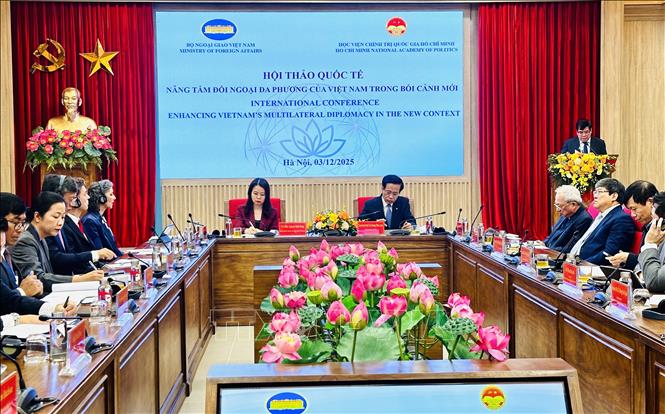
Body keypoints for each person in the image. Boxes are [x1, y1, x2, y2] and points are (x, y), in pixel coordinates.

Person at [11, 192, 104, 293]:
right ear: (37, 216)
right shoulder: (26, 240)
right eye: (56, 217)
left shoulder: (42, 238)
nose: (60, 223)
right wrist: (79, 279)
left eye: (63, 217)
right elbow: (38, 279)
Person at [1, 216, 76, 332]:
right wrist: (18, 319)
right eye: (56, 216)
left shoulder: (5, 256)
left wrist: (54, 308)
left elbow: (11, 299)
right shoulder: (26, 240)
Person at [46, 177, 116, 275]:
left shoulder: (78, 222)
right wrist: (95, 255)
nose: (88, 197)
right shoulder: (66, 225)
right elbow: (63, 259)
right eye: (85, 194)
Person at [568, 178, 635, 266]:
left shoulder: (622, 219)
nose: (595, 196)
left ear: (614, 196)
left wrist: (581, 265)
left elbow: (609, 254)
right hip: (574, 263)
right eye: (595, 192)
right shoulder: (601, 216)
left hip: (591, 268)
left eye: (599, 192)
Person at [607, 180, 659, 269]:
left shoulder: (660, 229)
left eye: (634, 209)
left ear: (650, 202)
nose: (632, 214)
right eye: (630, 210)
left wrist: (629, 258)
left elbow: (656, 265)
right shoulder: (647, 226)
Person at [0, 193, 43, 297]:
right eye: (15, 222)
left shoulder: (6, 254)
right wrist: (23, 291)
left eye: (23, 223)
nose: (20, 229)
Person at [543, 185, 593, 253]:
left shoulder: (584, 220)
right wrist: (543, 243)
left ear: (573, 204)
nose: (557, 210)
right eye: (556, 205)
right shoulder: (565, 214)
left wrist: (547, 249)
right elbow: (552, 237)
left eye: (559, 206)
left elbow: (571, 247)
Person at [83, 180, 123, 257]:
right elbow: (100, 252)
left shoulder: (99, 217)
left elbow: (113, 248)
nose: (114, 197)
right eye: (111, 194)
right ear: (101, 198)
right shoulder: (90, 221)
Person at [639, 192, 665, 292]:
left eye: (654, 218)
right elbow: (641, 262)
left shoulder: (655, 238)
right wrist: (640, 273)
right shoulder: (660, 237)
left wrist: (649, 245)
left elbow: (655, 282)